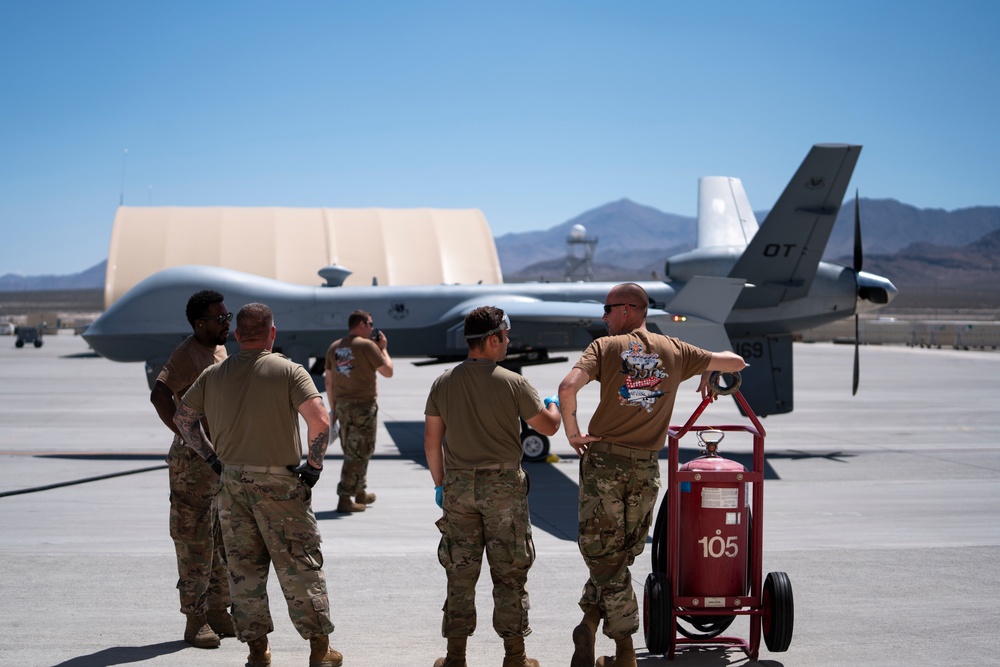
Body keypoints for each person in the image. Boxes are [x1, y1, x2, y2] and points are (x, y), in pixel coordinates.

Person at [558, 283, 746, 667]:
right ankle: (589, 622)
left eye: (608, 309)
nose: (604, 316)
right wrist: (710, 370)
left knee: (605, 556)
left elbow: (567, 387)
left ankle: (624, 650)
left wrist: (572, 431)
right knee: (618, 556)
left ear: (628, 310)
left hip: (605, 465)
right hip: (645, 468)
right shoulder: (675, 350)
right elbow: (736, 362)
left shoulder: (603, 348)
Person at [173, 303, 342, 667]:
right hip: (278, 484)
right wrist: (313, 468)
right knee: (300, 566)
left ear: (237, 336)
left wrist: (211, 458)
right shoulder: (288, 371)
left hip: (232, 484)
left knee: (244, 572)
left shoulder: (213, 375)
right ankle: (319, 650)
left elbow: (184, 419)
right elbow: (320, 421)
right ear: (272, 333)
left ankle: (258, 652)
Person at [424, 306, 562, 667]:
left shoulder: (443, 382)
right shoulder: (512, 381)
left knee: (460, 573)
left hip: (457, 487)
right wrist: (553, 406)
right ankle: (515, 658)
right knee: (510, 573)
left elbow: (431, 442)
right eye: (505, 335)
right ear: (491, 339)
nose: (508, 342)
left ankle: (455, 658)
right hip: (502, 488)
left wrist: (441, 485)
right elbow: (548, 427)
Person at [148, 289, 235, 648]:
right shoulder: (186, 354)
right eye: (220, 318)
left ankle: (217, 610)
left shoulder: (218, 348)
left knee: (219, 537)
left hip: (219, 458)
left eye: (227, 316)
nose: (226, 322)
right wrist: (187, 435)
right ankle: (195, 619)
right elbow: (159, 394)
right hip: (194, 462)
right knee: (194, 541)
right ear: (199, 324)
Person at [325, 309, 393, 513]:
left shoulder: (335, 347)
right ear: (362, 324)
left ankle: (360, 491)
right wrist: (384, 349)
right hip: (363, 406)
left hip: (344, 406)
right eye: (370, 324)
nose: (372, 328)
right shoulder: (368, 346)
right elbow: (388, 371)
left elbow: (329, 381)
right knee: (360, 451)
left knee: (356, 449)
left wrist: (334, 408)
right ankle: (345, 497)